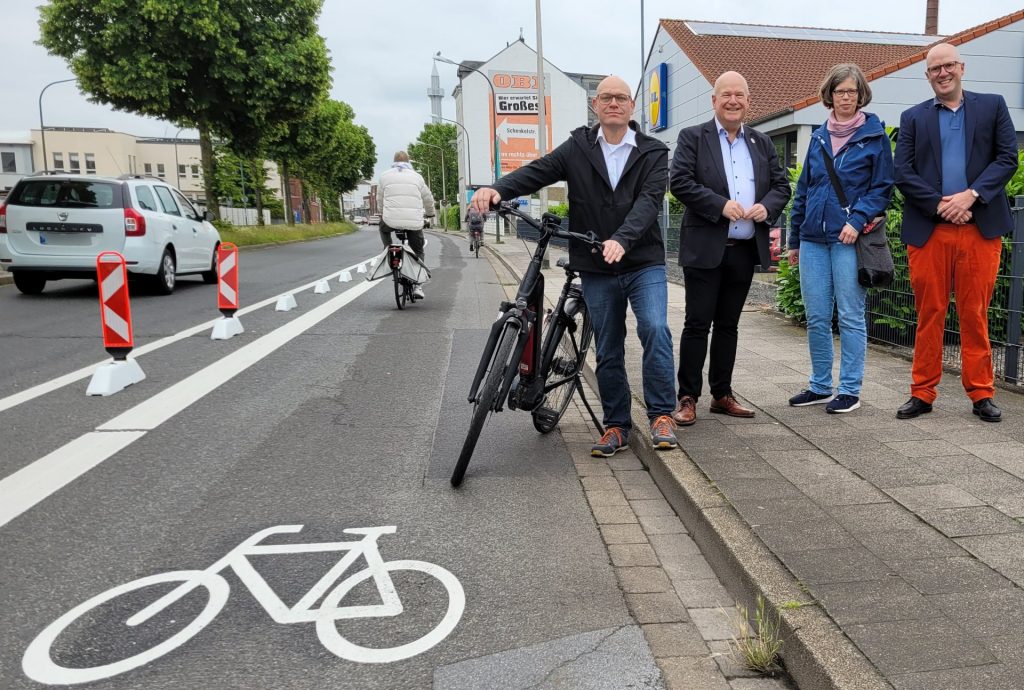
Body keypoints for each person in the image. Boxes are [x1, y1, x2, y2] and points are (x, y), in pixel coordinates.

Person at [470, 75, 678, 457]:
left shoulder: (653, 151)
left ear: (632, 106)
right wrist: (497, 188)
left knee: (655, 329)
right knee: (608, 346)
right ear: (595, 106)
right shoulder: (578, 147)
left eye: (621, 97)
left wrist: (623, 238)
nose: (613, 103)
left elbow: (650, 202)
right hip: (597, 265)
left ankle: (662, 414)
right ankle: (616, 424)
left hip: (642, 262)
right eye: (606, 98)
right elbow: (538, 170)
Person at [893, 43, 1017, 423]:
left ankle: (981, 394)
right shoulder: (913, 117)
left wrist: (971, 196)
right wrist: (940, 204)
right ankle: (922, 392)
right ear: (927, 75)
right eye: (934, 69)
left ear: (961, 67)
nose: (942, 73)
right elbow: (903, 172)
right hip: (931, 230)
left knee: (974, 312)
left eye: (948, 66)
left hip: (979, 228)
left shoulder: (993, 105)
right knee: (929, 312)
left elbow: (1007, 158)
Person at [669, 71, 791, 426]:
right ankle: (688, 396)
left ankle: (722, 394)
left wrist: (767, 207)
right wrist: (719, 204)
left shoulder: (761, 143)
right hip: (706, 248)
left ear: (748, 102)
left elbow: (781, 185)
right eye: (726, 95)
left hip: (742, 249)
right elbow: (680, 182)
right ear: (714, 100)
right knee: (697, 323)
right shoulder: (693, 137)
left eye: (740, 95)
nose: (733, 101)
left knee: (728, 325)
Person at [787, 64, 894, 414]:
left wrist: (859, 218)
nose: (846, 97)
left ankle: (849, 389)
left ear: (861, 94)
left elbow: (881, 189)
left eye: (851, 91)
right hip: (813, 241)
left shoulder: (875, 136)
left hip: (848, 239)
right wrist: (794, 239)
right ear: (829, 95)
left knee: (850, 315)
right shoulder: (818, 137)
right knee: (817, 316)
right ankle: (819, 386)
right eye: (839, 91)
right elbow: (804, 190)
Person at [378, 151, 435, 299]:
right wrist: (430, 213)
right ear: (409, 161)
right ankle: (418, 285)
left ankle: (388, 249)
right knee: (418, 249)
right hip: (413, 222)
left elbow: (380, 199)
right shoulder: (417, 177)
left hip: (390, 220)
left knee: (383, 229)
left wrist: (383, 213)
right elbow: (428, 198)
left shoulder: (384, 176)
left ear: (393, 161)